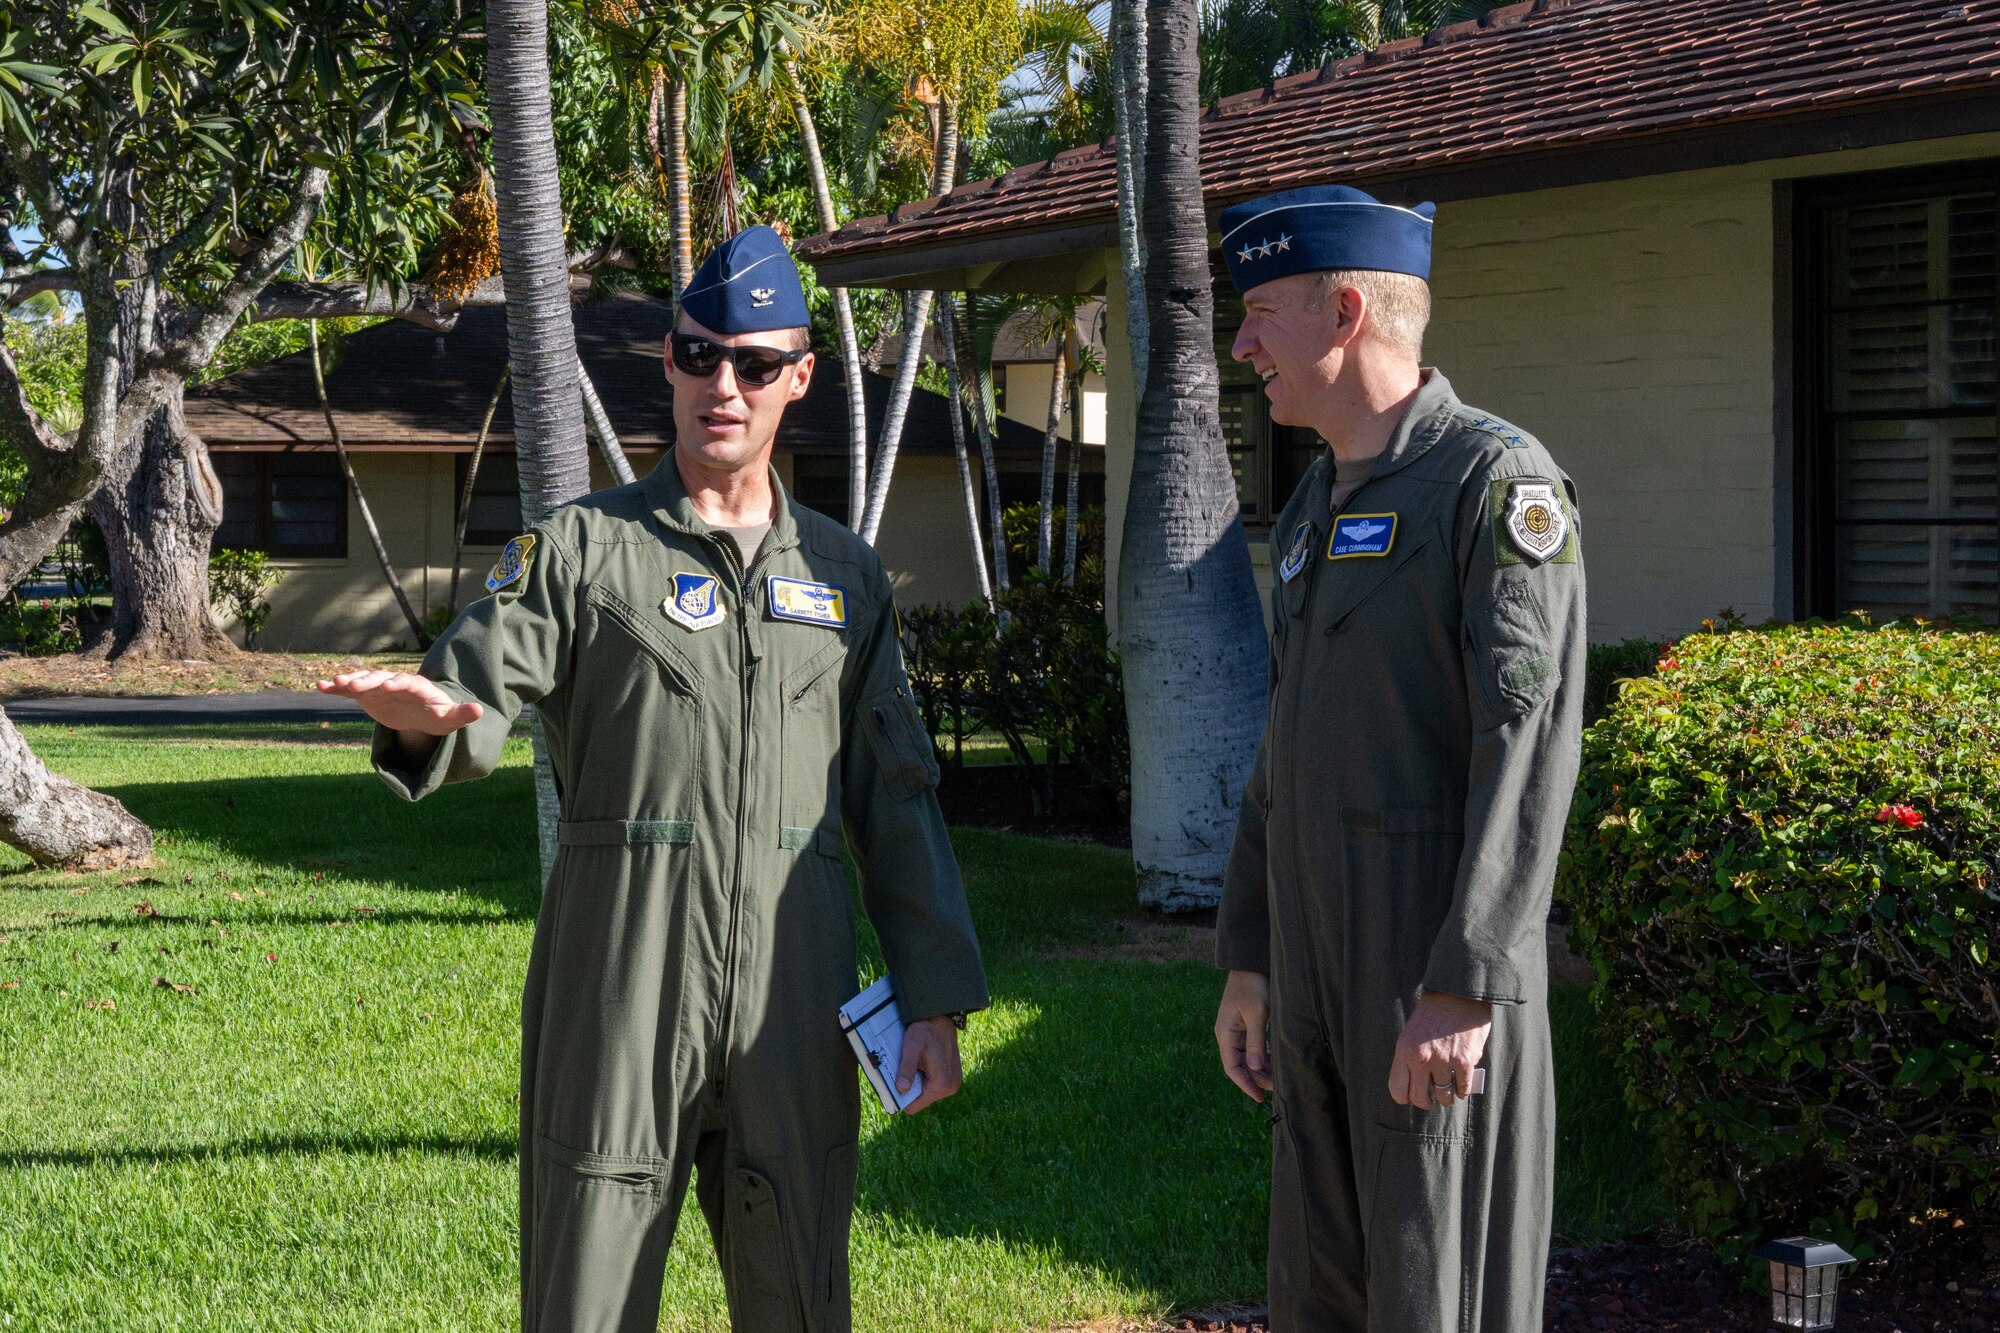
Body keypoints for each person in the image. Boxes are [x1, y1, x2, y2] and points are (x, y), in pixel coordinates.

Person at [319, 225, 988, 1333]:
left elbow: (894, 790)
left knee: (801, 1292)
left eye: (753, 364)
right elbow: (489, 671)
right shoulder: (582, 548)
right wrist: (438, 719)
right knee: (587, 1286)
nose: (719, 385)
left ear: (798, 379)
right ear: (668, 361)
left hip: (792, 987)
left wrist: (932, 994)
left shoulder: (843, 573)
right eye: (694, 355)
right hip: (620, 979)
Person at [1209, 184, 1587, 1331]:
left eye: (1258, 311)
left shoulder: (1493, 485)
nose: (1240, 344)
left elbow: (1525, 748)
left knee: (1437, 1289)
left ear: (1341, 313)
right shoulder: (1318, 499)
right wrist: (1250, 952)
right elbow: (1288, 744)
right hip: (1316, 967)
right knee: (1317, 1288)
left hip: (1426, 970)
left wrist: (1461, 975)